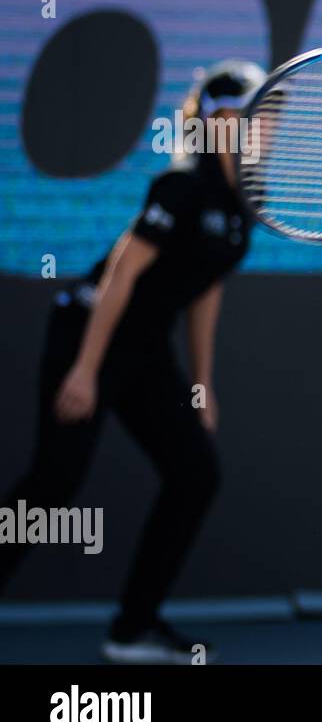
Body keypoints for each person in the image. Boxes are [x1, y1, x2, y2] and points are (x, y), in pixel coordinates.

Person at [0, 60, 265, 663]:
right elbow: (121, 273)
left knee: (195, 474)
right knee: (52, 486)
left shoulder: (244, 197)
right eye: (254, 111)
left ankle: (132, 629)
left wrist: (203, 383)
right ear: (221, 120)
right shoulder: (182, 184)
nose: (265, 124)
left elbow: (206, 288)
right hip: (88, 334)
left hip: (144, 350)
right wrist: (86, 370)